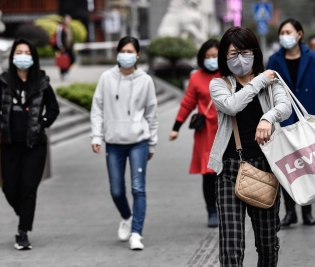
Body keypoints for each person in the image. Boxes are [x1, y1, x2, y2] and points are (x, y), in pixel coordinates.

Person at [209, 26, 291, 266]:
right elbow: (232, 106)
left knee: (267, 243)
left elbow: (284, 107)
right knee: (231, 245)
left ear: (255, 52)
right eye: (232, 54)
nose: (239, 59)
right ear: (224, 57)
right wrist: (257, 82)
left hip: (265, 167)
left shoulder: (272, 80)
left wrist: (267, 118)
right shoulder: (219, 85)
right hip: (229, 170)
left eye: (244, 52)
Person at [0, 38, 60, 250]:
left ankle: (23, 232)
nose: (23, 57)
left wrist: (42, 123)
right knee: (9, 188)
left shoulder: (42, 82)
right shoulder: (3, 81)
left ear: (33, 57)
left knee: (28, 188)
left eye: (27, 53)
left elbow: (53, 109)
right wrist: (1, 123)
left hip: (34, 145)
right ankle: (24, 214)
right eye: (19, 52)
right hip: (10, 143)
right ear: (12, 57)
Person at [90, 36, 158, 251]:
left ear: (138, 55)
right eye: (123, 51)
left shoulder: (145, 80)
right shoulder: (106, 78)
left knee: (138, 188)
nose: (126, 55)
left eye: (131, 51)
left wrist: (152, 143)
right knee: (117, 190)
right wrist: (96, 136)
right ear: (117, 53)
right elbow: (97, 108)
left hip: (139, 141)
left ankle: (136, 233)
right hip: (114, 142)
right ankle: (126, 217)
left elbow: (152, 113)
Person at [267, 18, 315, 227]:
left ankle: (307, 212)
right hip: (284, 122)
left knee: (309, 167)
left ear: (299, 34)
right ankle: (290, 212)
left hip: (309, 119)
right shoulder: (274, 60)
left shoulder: (313, 58)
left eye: (288, 32)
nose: (284, 36)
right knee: (289, 168)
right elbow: (267, 90)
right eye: (282, 32)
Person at [169, 39, 221, 228]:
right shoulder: (196, 78)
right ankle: (212, 211)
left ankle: (227, 208)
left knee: (227, 172)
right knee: (208, 174)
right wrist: (176, 127)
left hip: (226, 129)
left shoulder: (229, 75)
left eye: (215, 56)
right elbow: (187, 103)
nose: (211, 60)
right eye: (207, 57)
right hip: (205, 132)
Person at [56, 15, 75, 80]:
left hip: (69, 47)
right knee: (63, 60)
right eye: (67, 19)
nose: (69, 21)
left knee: (71, 59)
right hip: (64, 47)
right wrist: (61, 46)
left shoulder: (69, 27)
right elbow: (59, 38)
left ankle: (66, 72)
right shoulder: (61, 27)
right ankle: (63, 73)